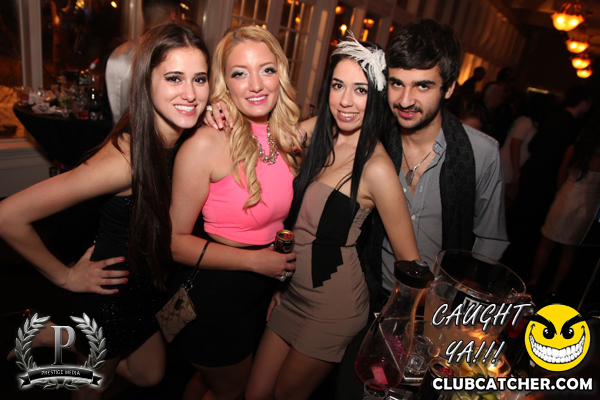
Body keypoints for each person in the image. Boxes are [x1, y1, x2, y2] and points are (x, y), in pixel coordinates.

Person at [0, 23, 210, 399]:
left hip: (148, 291)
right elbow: (8, 216)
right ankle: (71, 340)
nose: (190, 94)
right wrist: (65, 276)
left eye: (200, 79)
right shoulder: (124, 160)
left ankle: (60, 335)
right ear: (146, 83)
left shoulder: (185, 136)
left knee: (149, 375)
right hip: (110, 299)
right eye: (174, 78)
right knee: (94, 387)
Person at [336, 19, 509, 399]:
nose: (405, 99)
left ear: (450, 88)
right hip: (370, 302)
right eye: (396, 83)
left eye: (423, 86)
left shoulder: (481, 154)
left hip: (439, 317)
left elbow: (491, 241)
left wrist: (461, 315)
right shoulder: (371, 138)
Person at [241, 34, 420, 400]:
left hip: (333, 309)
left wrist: (398, 331)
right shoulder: (324, 134)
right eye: (338, 86)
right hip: (291, 293)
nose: (346, 101)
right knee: (255, 393)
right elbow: (270, 138)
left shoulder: (377, 168)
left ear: (377, 97)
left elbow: (411, 263)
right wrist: (221, 108)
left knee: (284, 395)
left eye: (360, 90)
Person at [169, 26, 301, 400]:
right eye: (240, 73)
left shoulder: (286, 137)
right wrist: (256, 263)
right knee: (232, 388)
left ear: (280, 74)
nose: (256, 85)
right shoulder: (206, 144)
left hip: (260, 290)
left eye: (267, 70)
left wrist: (276, 282)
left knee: (209, 383)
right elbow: (173, 243)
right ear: (224, 82)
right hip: (216, 295)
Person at [528, 111, 600, 302]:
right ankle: (553, 288)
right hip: (588, 206)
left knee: (546, 243)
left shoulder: (574, 150)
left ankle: (533, 282)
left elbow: (561, 178)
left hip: (567, 198)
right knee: (569, 251)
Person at [105, 0, 182, 126]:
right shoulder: (175, 57)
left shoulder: (116, 54)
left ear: (144, 16)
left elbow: (106, 115)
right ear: (174, 16)